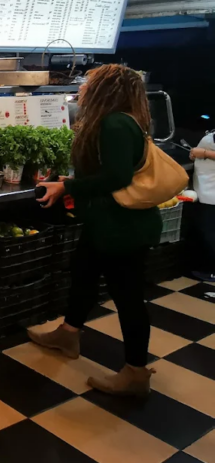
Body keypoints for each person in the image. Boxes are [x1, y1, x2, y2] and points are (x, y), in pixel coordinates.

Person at [31, 64, 162, 396]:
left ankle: (135, 374)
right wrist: (70, 182)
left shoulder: (115, 123)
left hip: (122, 228)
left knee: (129, 298)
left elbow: (117, 178)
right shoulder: (126, 120)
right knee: (84, 273)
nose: (84, 87)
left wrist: (69, 187)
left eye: (90, 83)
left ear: (106, 89)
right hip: (107, 223)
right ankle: (68, 333)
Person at [189, 130, 215, 282]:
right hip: (207, 190)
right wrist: (195, 154)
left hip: (211, 193)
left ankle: (212, 270)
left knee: (210, 233)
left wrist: (204, 153)